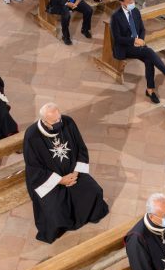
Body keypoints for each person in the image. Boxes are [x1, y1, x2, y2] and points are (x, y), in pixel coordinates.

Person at [23, 103, 109, 243]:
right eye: (55, 121)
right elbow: (33, 167)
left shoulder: (68, 122)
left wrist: (76, 172)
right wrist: (60, 180)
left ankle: (87, 215)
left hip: (72, 172)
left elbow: (81, 148)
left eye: (59, 118)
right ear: (44, 121)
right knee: (54, 209)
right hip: (50, 180)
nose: (59, 123)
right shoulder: (32, 135)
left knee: (94, 191)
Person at [110, 0, 165, 104]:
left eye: (133, 0)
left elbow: (142, 29)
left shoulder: (135, 11)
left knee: (149, 59)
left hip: (138, 44)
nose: (132, 3)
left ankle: (150, 90)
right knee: (149, 52)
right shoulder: (116, 17)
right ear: (121, 2)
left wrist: (141, 40)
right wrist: (134, 40)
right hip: (124, 47)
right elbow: (117, 38)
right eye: (129, 2)